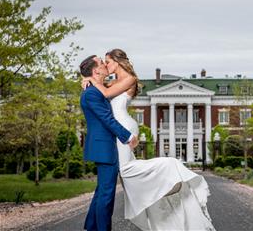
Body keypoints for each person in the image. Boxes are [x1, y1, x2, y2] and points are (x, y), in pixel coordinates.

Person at [82, 49, 215, 231]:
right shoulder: (112, 82)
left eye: (108, 61)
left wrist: (90, 80)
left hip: (123, 129)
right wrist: (91, 80)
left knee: (120, 175)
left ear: (117, 61)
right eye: (103, 63)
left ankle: (167, 171)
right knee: (111, 182)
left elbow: (105, 94)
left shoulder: (128, 78)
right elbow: (103, 93)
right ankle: (94, 226)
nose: (106, 65)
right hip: (117, 131)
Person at [79, 55, 139, 231]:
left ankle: (92, 228)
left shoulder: (95, 89)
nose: (105, 65)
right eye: (102, 63)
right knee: (106, 196)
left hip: (105, 146)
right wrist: (127, 136)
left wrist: (87, 78)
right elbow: (107, 118)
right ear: (96, 70)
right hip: (105, 147)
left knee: (101, 193)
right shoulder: (92, 93)